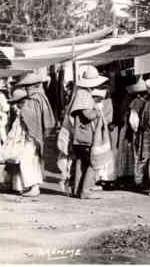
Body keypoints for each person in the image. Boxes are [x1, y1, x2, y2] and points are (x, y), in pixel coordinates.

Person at [65, 66, 112, 199]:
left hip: (80, 136)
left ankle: (77, 190)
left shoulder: (80, 93)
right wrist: (98, 110)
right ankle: (86, 191)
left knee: (81, 162)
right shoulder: (84, 95)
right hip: (86, 135)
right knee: (92, 163)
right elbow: (87, 115)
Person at [11, 72, 56, 196]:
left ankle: (33, 187)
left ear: (33, 85)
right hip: (37, 135)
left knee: (27, 161)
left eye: (27, 86)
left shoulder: (33, 99)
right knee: (33, 160)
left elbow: (29, 118)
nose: (26, 88)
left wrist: (22, 111)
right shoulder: (42, 97)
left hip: (31, 136)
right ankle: (34, 186)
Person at [3, 88, 45, 196]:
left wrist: (28, 138)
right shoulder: (28, 109)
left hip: (28, 140)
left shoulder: (26, 110)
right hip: (29, 140)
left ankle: (34, 187)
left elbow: (28, 128)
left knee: (27, 163)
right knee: (28, 162)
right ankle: (27, 186)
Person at [125, 78, 149, 189]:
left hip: (140, 132)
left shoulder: (137, 102)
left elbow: (133, 120)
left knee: (139, 155)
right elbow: (133, 121)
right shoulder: (140, 102)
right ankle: (139, 180)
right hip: (142, 132)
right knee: (140, 155)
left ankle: (139, 179)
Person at [0, 79, 10, 163]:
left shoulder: (1, 96)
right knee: (3, 138)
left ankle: (1, 155)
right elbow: (6, 108)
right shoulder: (1, 96)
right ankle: (3, 155)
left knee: (0, 138)